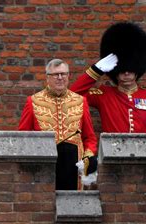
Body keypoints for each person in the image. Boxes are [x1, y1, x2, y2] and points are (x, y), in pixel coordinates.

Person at [70, 22, 146, 133]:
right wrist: (96, 70)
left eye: (131, 69)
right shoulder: (103, 95)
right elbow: (72, 95)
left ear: (137, 69)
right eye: (122, 70)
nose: (127, 73)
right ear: (115, 71)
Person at [19, 59, 98, 190]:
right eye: (55, 74)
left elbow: (89, 137)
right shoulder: (33, 101)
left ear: (68, 76)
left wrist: (88, 155)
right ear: (47, 78)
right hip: (45, 161)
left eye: (63, 74)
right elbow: (23, 136)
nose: (60, 78)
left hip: (74, 163)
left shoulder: (80, 101)